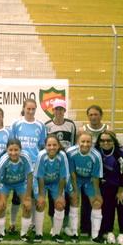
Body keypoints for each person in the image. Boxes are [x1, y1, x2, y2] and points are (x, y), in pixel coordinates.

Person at [11, 98, 47, 234]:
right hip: (19, 164)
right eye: (28, 109)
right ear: (24, 108)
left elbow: (42, 145)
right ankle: (13, 223)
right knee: (16, 196)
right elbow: (12, 143)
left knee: (32, 194)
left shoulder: (40, 125)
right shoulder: (16, 124)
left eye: (33, 109)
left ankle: (32, 224)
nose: (31, 111)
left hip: (34, 164)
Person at [0, 139, 33, 242]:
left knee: (27, 206)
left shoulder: (25, 157)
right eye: (10, 150)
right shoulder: (4, 159)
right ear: (6, 150)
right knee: (0, 206)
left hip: (21, 183)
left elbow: (30, 176)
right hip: (5, 184)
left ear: (20, 150)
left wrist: (27, 197)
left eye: (16, 150)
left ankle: (24, 234)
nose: (13, 153)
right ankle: (0, 233)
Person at [95, 130, 123, 245]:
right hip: (110, 181)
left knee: (121, 204)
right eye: (102, 140)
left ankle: (122, 234)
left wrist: (121, 192)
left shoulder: (120, 154)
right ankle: (109, 231)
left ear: (113, 141)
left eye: (108, 140)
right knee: (108, 206)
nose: (105, 143)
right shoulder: (98, 151)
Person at [44, 98, 76, 235]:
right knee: (54, 195)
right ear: (53, 111)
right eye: (56, 109)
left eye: (61, 109)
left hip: (67, 162)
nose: (58, 111)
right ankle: (54, 225)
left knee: (68, 194)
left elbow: (74, 144)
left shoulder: (71, 125)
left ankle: (66, 225)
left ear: (64, 110)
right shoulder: (47, 125)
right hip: (54, 163)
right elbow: (46, 144)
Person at [66, 132, 103, 243]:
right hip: (75, 178)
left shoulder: (96, 156)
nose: (85, 144)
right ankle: (74, 233)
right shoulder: (70, 152)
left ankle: (95, 235)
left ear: (92, 143)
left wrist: (97, 194)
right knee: (74, 199)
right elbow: (71, 173)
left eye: (88, 142)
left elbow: (96, 177)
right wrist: (75, 190)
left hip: (89, 180)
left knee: (97, 202)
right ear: (78, 142)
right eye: (83, 141)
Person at [33, 135, 69, 243]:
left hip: (56, 182)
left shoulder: (62, 156)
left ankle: (56, 233)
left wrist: (59, 196)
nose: (52, 147)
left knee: (60, 204)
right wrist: (41, 195)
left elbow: (63, 177)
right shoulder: (41, 155)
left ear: (58, 146)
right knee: (41, 203)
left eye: (54, 145)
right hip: (41, 182)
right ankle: (38, 234)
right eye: (49, 145)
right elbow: (40, 177)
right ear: (45, 146)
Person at [80, 105, 109, 236]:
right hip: (87, 168)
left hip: (104, 167)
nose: (93, 117)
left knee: (102, 198)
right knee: (86, 198)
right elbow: (79, 148)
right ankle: (85, 227)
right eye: (90, 115)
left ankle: (103, 228)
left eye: (96, 114)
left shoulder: (108, 129)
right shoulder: (83, 130)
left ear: (101, 115)